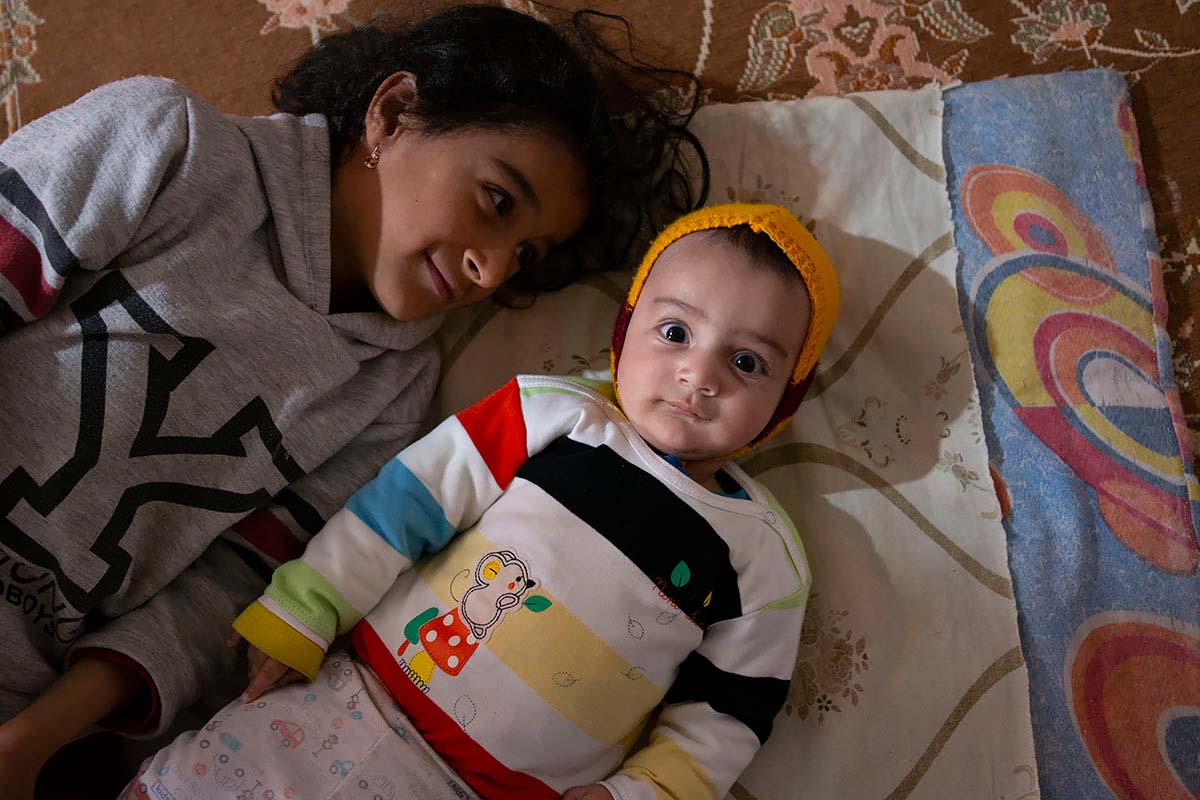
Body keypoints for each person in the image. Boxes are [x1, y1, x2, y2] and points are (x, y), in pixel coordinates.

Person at [0, 4, 708, 796]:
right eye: (497, 202)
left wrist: (30, 743)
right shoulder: (170, 148)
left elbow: (208, 606)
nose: (493, 272)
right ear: (393, 113)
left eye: (526, 253)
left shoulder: (391, 401)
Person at [128, 202, 840, 800]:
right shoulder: (547, 415)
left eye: (746, 362)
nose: (698, 374)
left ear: (787, 400)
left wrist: (642, 791)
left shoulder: (763, 559)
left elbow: (728, 715)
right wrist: (306, 606)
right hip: (347, 696)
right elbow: (404, 506)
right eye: (676, 332)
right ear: (625, 334)